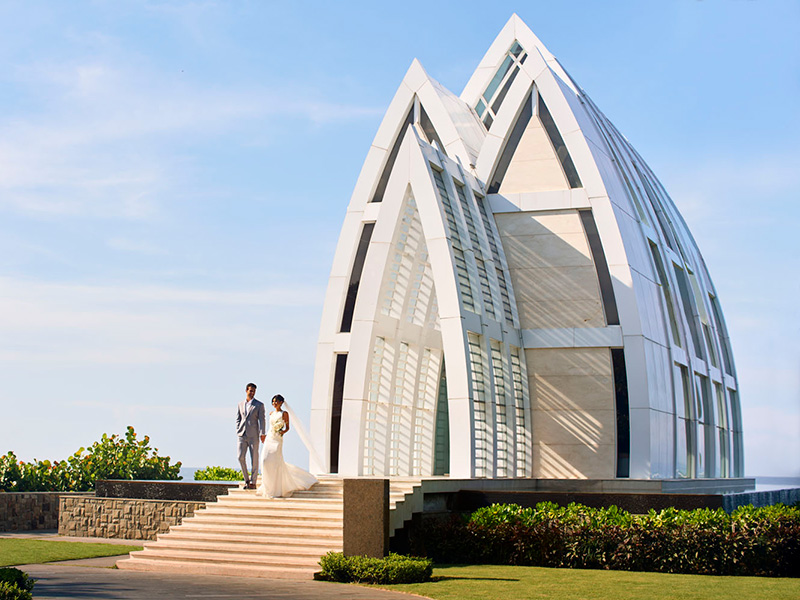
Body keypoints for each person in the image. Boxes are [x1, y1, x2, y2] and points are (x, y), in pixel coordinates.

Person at [257, 394, 318, 498]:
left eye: (276, 401)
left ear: (281, 402)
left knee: (276, 462)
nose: (274, 403)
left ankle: (276, 487)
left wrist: (282, 431)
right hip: (269, 438)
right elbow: (270, 426)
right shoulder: (271, 413)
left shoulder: (284, 413)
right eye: (273, 401)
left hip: (277, 440)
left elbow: (287, 427)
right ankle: (267, 485)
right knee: (264, 460)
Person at [235, 382, 266, 490]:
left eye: (253, 391)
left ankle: (253, 482)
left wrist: (262, 433)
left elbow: (262, 419)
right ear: (246, 391)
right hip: (242, 435)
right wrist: (238, 429)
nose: (252, 393)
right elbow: (238, 418)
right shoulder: (240, 404)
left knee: (254, 459)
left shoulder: (259, 405)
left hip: (254, 435)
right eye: (250, 390)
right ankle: (246, 480)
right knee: (240, 457)